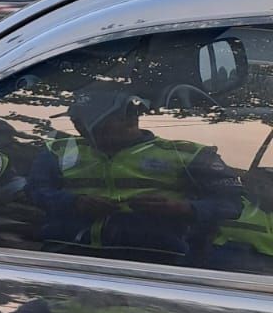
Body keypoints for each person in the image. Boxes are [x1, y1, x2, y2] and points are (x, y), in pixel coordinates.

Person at [28, 87, 241, 264]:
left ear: (131, 119)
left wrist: (181, 208)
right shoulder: (58, 150)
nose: (83, 129)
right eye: (76, 121)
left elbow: (231, 204)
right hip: (66, 257)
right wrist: (73, 203)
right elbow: (33, 192)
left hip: (156, 264)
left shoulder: (190, 154)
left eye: (95, 122)